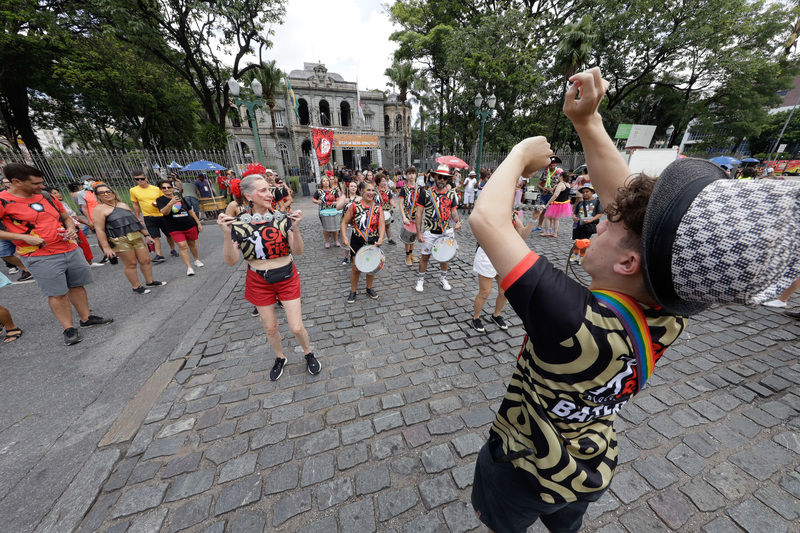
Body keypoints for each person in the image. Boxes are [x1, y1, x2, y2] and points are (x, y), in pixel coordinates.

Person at [466, 67, 800, 533]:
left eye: (608, 224)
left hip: (523, 472)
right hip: (591, 464)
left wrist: (521, 153)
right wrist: (587, 122)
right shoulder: (670, 301)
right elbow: (628, 204)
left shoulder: (573, 321)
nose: (600, 219)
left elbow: (487, 218)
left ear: (627, 263)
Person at [217, 174, 320, 381]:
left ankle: (308, 352)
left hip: (286, 276)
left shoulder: (282, 218)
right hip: (258, 280)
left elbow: (298, 251)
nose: (269, 194)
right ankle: (280, 357)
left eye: (268, 189)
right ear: (248, 196)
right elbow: (230, 261)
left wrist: (297, 229)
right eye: (262, 190)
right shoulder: (238, 224)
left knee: (296, 327)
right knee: (270, 327)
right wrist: (227, 235)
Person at [0, 163, 113, 345]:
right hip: (39, 255)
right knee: (57, 293)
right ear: (16, 182)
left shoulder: (45, 196)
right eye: (36, 183)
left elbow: (66, 217)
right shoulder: (3, 200)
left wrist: (71, 229)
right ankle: (68, 329)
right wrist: (23, 237)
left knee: (77, 285)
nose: (42, 186)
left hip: (69, 248)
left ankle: (86, 318)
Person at [93, 184, 167, 294]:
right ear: (98, 196)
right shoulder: (99, 209)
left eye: (108, 191)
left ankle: (150, 281)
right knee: (131, 263)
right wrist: (106, 247)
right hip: (119, 239)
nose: (106, 194)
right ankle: (136, 286)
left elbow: (135, 222)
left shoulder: (123, 205)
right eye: (101, 193)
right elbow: (99, 230)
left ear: (113, 192)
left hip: (136, 236)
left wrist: (146, 235)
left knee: (145, 260)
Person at [471, 210, 534, 333]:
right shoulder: (489, 209)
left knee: (505, 291)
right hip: (487, 254)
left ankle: (496, 315)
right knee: (485, 291)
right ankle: (476, 317)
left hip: (505, 256)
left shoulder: (511, 213)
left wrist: (534, 219)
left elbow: (522, 234)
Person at [414, 164, 462, 292]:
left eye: (445, 178)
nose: (442, 180)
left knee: (445, 256)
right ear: (435, 176)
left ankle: (443, 278)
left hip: (445, 231)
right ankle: (420, 279)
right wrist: (419, 233)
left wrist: (457, 221)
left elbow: (454, 212)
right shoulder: (426, 193)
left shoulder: (451, 194)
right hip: (430, 231)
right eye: (440, 177)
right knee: (425, 257)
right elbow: (418, 214)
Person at [341, 180, 385, 303]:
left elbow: (381, 225)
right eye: (368, 190)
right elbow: (344, 222)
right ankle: (353, 291)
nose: (371, 193)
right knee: (356, 268)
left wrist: (381, 238)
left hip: (373, 241)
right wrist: (344, 236)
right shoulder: (354, 206)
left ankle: (369, 288)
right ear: (362, 191)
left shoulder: (378, 207)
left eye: (373, 190)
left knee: (371, 266)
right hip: (357, 241)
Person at [155, 179, 204, 276]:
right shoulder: (160, 200)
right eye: (164, 188)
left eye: (169, 187)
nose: (167, 189)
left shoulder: (180, 197)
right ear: (161, 189)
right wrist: (171, 202)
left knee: (192, 244)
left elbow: (190, 211)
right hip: (174, 228)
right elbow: (164, 212)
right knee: (182, 246)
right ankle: (189, 267)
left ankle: (196, 259)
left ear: (172, 188)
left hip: (189, 225)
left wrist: (198, 223)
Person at [46, 186, 103, 267]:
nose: (59, 194)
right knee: (72, 248)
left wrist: (87, 224)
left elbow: (74, 216)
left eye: (58, 192)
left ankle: (89, 263)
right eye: (55, 193)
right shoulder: (49, 207)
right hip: (63, 230)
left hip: (74, 227)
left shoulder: (63, 204)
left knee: (84, 244)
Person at [129, 171, 177, 262]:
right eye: (137, 179)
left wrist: (158, 205)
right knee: (155, 236)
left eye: (142, 179)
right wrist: (138, 217)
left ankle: (172, 249)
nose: (140, 180)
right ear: (135, 180)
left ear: (146, 179)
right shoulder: (133, 190)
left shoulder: (156, 189)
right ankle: (159, 255)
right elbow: (135, 204)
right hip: (148, 216)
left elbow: (165, 200)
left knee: (169, 234)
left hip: (162, 215)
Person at [570, 183, 603, 263]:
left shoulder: (597, 202)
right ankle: (575, 254)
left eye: (587, 191)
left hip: (588, 225)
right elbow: (575, 212)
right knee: (577, 240)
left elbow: (599, 213)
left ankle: (582, 256)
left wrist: (591, 220)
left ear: (592, 192)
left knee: (584, 241)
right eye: (583, 192)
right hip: (579, 224)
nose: (585, 193)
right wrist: (574, 217)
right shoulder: (580, 203)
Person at [398, 166, 421, 266]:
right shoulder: (404, 188)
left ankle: (411, 254)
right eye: (409, 174)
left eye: (413, 173)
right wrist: (404, 217)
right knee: (407, 237)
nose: (411, 176)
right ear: (406, 176)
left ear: (415, 175)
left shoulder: (420, 188)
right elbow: (400, 203)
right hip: (407, 216)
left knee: (414, 236)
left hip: (416, 217)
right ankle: (407, 255)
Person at [540, 171, 573, 238]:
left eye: (559, 176)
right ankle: (555, 233)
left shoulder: (561, 184)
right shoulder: (567, 184)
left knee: (547, 216)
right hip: (564, 203)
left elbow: (555, 195)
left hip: (557, 203)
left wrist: (548, 204)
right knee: (556, 218)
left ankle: (547, 232)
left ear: (561, 177)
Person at [336, 180, 361, 265]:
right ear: (348, 188)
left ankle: (356, 256)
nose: (353, 188)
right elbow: (337, 207)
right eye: (351, 186)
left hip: (356, 222)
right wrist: (344, 202)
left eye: (355, 186)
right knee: (345, 239)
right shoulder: (344, 196)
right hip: (346, 222)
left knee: (356, 240)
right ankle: (346, 257)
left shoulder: (359, 197)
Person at [312, 177, 341, 248]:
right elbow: (314, 200)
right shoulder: (318, 191)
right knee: (325, 227)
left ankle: (336, 241)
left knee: (335, 227)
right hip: (323, 211)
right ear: (321, 183)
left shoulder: (334, 191)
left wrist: (334, 202)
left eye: (327, 180)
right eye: (324, 181)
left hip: (333, 211)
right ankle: (327, 242)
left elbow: (338, 200)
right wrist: (318, 201)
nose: (326, 182)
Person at [535, 156, 562, 231]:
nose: (552, 167)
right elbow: (538, 184)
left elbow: (561, 185)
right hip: (544, 195)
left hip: (552, 196)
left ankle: (549, 228)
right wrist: (543, 188)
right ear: (548, 165)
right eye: (550, 165)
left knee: (551, 212)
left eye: (553, 165)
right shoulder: (545, 173)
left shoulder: (559, 174)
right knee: (542, 211)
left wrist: (553, 188)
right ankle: (539, 226)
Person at [375, 173, 397, 245]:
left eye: (384, 181)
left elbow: (390, 200)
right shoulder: (374, 191)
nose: (384, 183)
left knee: (387, 225)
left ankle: (390, 239)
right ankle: (377, 239)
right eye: (382, 181)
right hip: (377, 211)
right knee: (377, 226)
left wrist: (393, 204)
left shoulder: (387, 191)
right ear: (378, 182)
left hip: (387, 210)